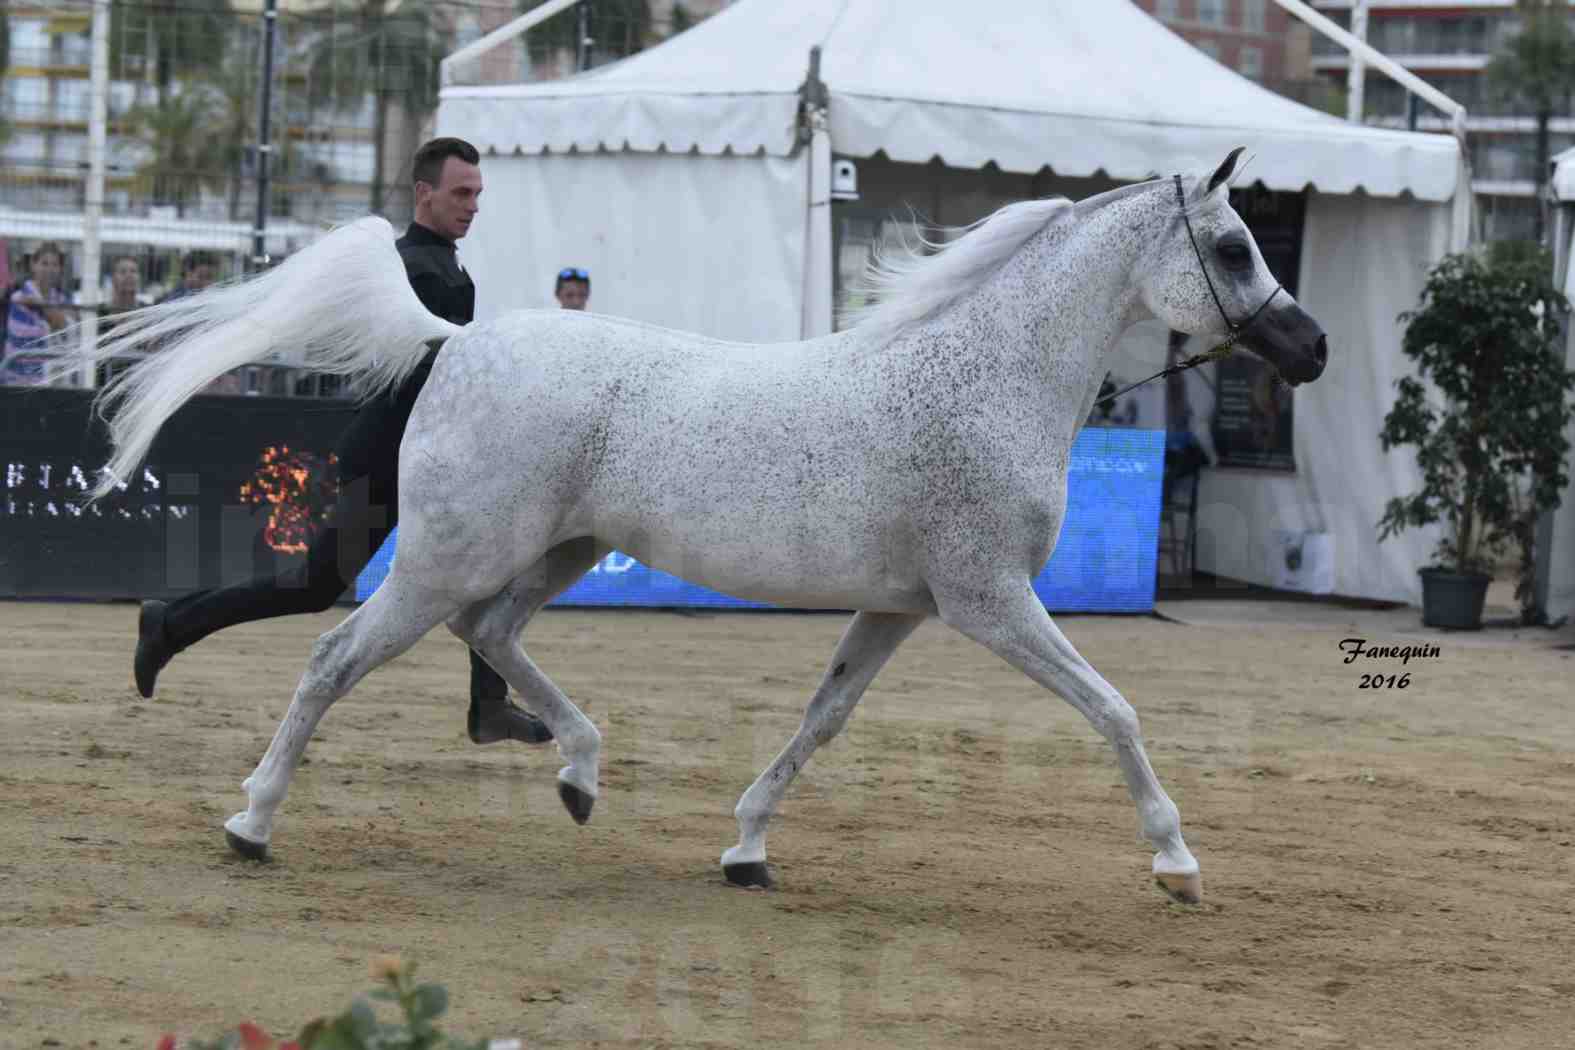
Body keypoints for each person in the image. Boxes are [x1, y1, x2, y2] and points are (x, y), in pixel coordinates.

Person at [133, 137, 551, 747]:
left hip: (420, 460)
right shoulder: (419, 269)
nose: (473, 205)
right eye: (462, 193)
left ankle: (488, 706)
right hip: (390, 458)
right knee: (314, 585)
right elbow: (431, 373)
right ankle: (170, 624)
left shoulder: (443, 265)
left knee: (492, 564)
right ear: (423, 194)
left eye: (478, 194)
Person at [3, 242, 71, 386]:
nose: (49, 269)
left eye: (54, 264)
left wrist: (39, 305)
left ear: (60, 269)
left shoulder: (61, 299)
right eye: (44, 263)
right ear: (33, 265)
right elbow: (23, 338)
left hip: (52, 382)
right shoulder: (18, 297)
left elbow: (64, 327)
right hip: (17, 381)